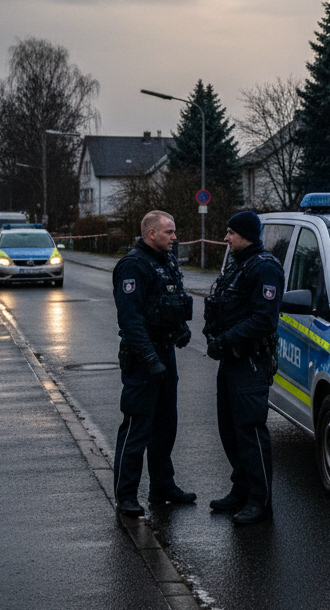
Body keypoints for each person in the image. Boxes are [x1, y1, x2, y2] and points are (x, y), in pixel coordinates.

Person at [111, 210, 196, 517]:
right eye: (169, 232)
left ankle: (162, 485)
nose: (175, 237)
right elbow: (131, 321)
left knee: (165, 426)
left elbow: (172, 302)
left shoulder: (166, 261)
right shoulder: (133, 266)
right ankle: (126, 496)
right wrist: (149, 359)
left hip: (165, 353)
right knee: (136, 429)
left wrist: (181, 330)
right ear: (151, 235)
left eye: (174, 232)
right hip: (142, 360)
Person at [204, 210, 284, 525]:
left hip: (250, 361)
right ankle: (241, 489)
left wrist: (225, 340)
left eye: (230, 233)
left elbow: (264, 319)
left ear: (245, 235)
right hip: (232, 359)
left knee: (250, 431)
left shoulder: (264, 269)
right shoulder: (239, 265)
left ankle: (260, 501)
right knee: (230, 429)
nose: (226, 238)